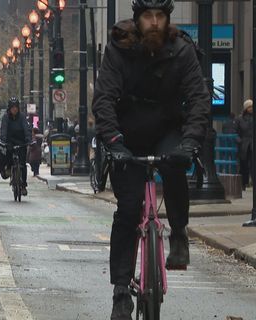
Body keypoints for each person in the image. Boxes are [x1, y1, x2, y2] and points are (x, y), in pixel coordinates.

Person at [91, 1, 210, 319]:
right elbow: (103, 98)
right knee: (128, 210)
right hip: (126, 135)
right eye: (148, 17)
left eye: (160, 17)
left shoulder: (182, 50)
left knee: (175, 163)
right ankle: (120, 292)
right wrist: (113, 142)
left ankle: (180, 234)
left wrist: (191, 142)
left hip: (167, 129)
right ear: (138, 20)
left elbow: (198, 97)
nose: (154, 23)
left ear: (167, 20)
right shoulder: (119, 48)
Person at [0, 97, 31, 196]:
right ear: (9, 108)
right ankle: (9, 169)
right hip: (10, 142)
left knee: (22, 164)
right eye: (12, 107)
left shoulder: (22, 117)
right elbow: (3, 129)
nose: (14, 109)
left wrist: (28, 139)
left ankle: (23, 185)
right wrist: (3, 140)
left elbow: (26, 128)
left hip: (21, 142)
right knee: (8, 156)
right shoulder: (6, 117)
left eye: (16, 107)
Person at [235, 99, 253, 191]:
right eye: (249, 107)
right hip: (244, 145)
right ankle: (243, 183)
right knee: (244, 165)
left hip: (253, 143)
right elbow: (236, 132)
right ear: (246, 108)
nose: (251, 108)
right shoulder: (239, 119)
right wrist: (239, 141)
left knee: (253, 164)